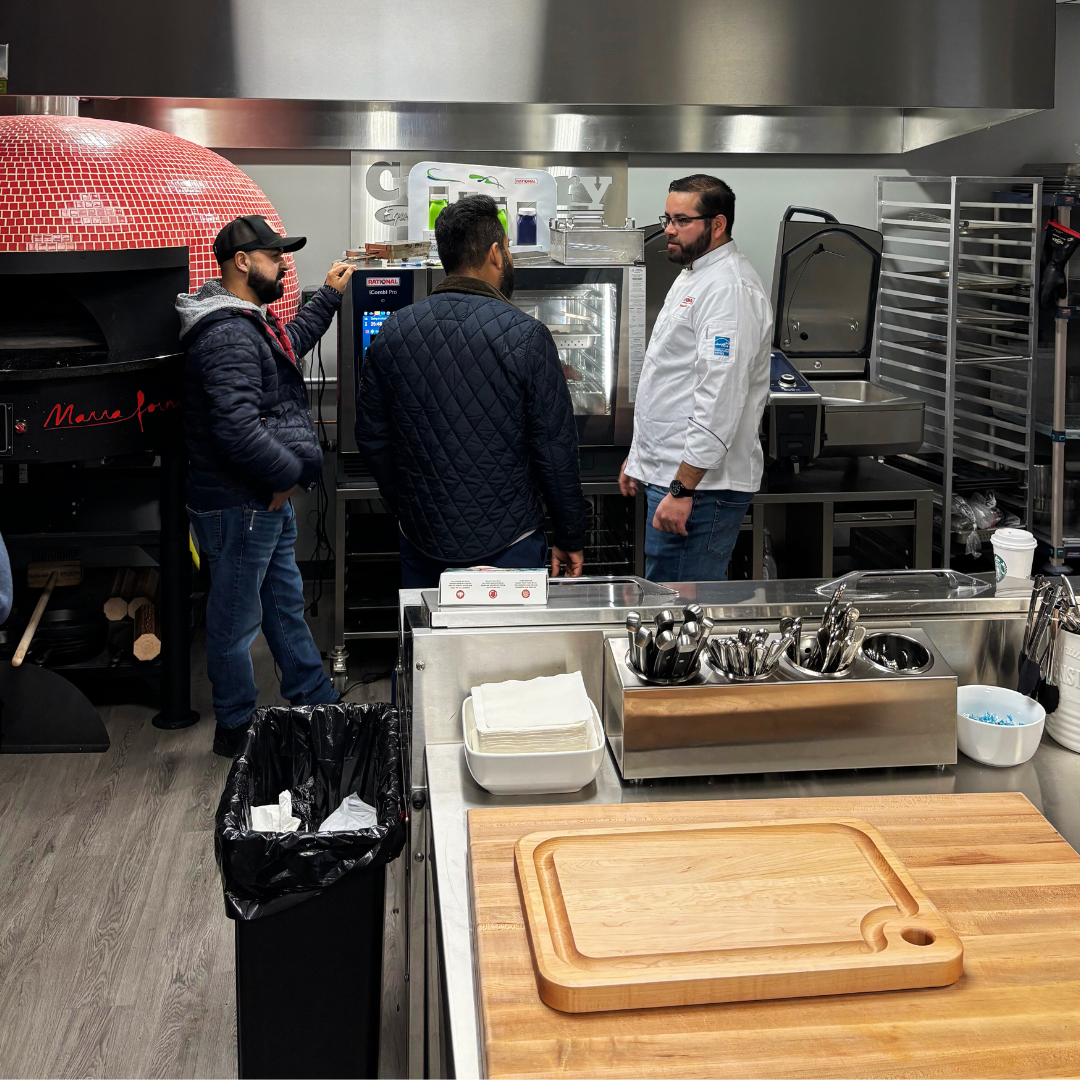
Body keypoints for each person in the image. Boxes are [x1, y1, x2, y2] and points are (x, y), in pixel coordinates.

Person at [175, 214, 356, 757]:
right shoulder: (228, 332)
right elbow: (235, 426)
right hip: (240, 503)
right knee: (234, 623)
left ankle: (315, 703)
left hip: (259, 502)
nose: (283, 263)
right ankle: (236, 729)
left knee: (283, 604)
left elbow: (288, 345)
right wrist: (286, 477)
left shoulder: (246, 320)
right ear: (241, 262)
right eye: (275, 256)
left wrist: (327, 295)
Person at [356, 194, 587, 588]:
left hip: (421, 539)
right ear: (496, 253)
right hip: (510, 542)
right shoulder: (527, 335)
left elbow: (372, 437)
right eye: (509, 249)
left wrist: (409, 506)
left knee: (429, 645)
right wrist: (570, 535)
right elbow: (554, 448)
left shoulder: (394, 329)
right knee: (508, 648)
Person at [620, 175, 773, 582]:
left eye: (681, 220)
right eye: (667, 218)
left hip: (703, 489)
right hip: (674, 476)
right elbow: (672, 380)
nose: (668, 229)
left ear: (717, 225)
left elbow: (718, 397)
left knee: (683, 616)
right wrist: (642, 460)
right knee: (668, 610)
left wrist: (682, 489)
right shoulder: (694, 274)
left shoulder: (728, 289)